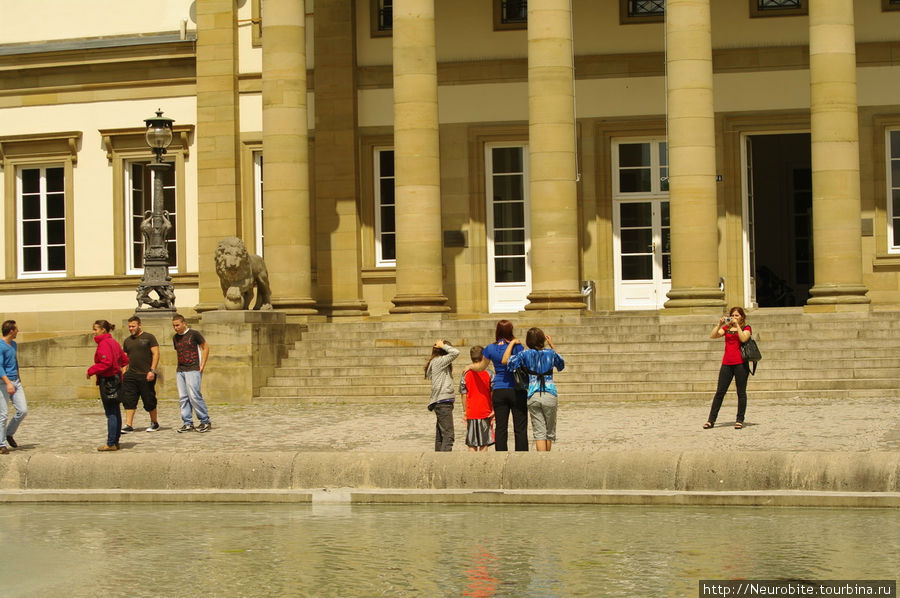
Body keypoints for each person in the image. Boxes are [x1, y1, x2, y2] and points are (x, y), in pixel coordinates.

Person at [503, 327, 565, 452]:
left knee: (539, 432)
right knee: (549, 431)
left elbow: (508, 363)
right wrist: (552, 345)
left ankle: (541, 462)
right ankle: (547, 459)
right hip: (549, 393)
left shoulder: (524, 354)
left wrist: (511, 345)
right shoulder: (550, 353)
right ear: (543, 339)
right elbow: (561, 365)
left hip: (533, 394)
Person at [481, 320, 528, 451]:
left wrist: (470, 367)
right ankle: (521, 455)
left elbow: (482, 366)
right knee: (520, 427)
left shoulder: (490, 348)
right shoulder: (517, 347)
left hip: (499, 389)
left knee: (501, 427)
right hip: (516, 389)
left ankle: (501, 455)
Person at [704, 306, 752, 430]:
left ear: (742, 317)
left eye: (737, 315)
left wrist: (737, 327)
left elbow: (743, 338)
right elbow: (713, 335)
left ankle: (740, 420)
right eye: (733, 315)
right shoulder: (726, 328)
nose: (734, 318)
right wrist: (719, 324)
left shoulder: (746, 328)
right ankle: (711, 420)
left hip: (741, 363)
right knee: (720, 392)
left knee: (741, 392)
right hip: (727, 363)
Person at [87, 320, 129, 452]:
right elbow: (124, 360)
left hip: (109, 381)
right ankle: (115, 441)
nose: (94, 332)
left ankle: (111, 442)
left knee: (111, 412)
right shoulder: (114, 342)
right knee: (115, 411)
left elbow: (106, 363)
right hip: (116, 379)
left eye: (96, 329)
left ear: (103, 330)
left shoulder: (104, 343)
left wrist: (91, 370)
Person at [172, 314, 212, 433]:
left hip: (193, 368)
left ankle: (204, 420)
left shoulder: (194, 334)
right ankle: (187, 422)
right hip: (181, 370)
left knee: (194, 395)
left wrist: (202, 365)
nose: (176, 328)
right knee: (183, 398)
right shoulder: (175, 337)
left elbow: (205, 347)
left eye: (178, 325)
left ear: (184, 323)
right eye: (174, 326)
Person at [121, 315, 161, 433]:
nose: (131, 328)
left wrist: (152, 370)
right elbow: (124, 358)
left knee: (149, 400)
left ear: (139, 325)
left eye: (133, 326)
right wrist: (124, 372)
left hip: (146, 374)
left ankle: (154, 422)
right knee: (129, 400)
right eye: (129, 326)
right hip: (131, 375)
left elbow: (156, 354)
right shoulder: (127, 340)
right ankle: (128, 425)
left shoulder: (149, 337)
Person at [425, 339, 459, 452]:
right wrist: (443, 345)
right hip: (443, 401)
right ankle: (444, 463)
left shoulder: (435, 362)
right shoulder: (439, 361)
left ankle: (437, 460)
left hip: (440, 402)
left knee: (440, 435)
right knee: (449, 435)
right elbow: (455, 352)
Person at [459, 346, 494, 452]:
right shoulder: (489, 373)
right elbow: (493, 392)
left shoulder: (466, 374)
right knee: (484, 443)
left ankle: (471, 465)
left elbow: (463, 394)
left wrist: (465, 411)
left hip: (471, 412)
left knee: (472, 442)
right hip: (485, 411)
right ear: (483, 357)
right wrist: (493, 408)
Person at [0, 320, 28, 455]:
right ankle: (1, 444)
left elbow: (14, 362)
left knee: (23, 410)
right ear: (11, 331)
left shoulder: (14, 344)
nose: (18, 331)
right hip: (3, 383)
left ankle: (8, 433)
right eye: (16, 329)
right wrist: (7, 382)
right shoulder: (0, 345)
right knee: (3, 414)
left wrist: (18, 376)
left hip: (15, 381)